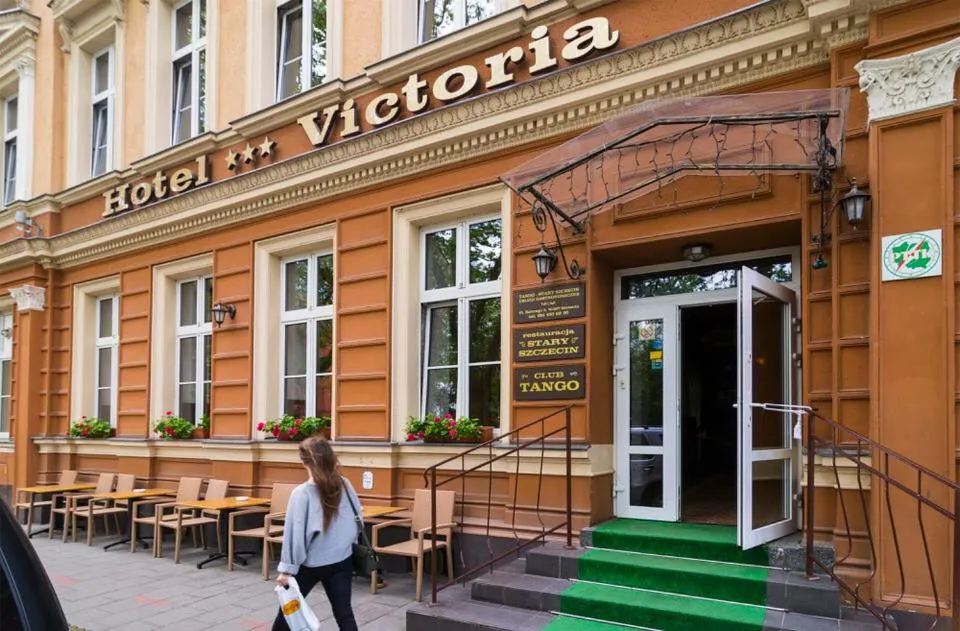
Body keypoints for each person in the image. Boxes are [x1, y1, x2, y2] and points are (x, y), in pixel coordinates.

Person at [273, 436, 361, 631]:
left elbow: (295, 536)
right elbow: (358, 521)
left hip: (310, 563)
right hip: (342, 560)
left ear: (303, 461)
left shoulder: (302, 493)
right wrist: (345, 544)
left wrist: (286, 570)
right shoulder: (344, 484)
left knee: (287, 616)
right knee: (344, 615)